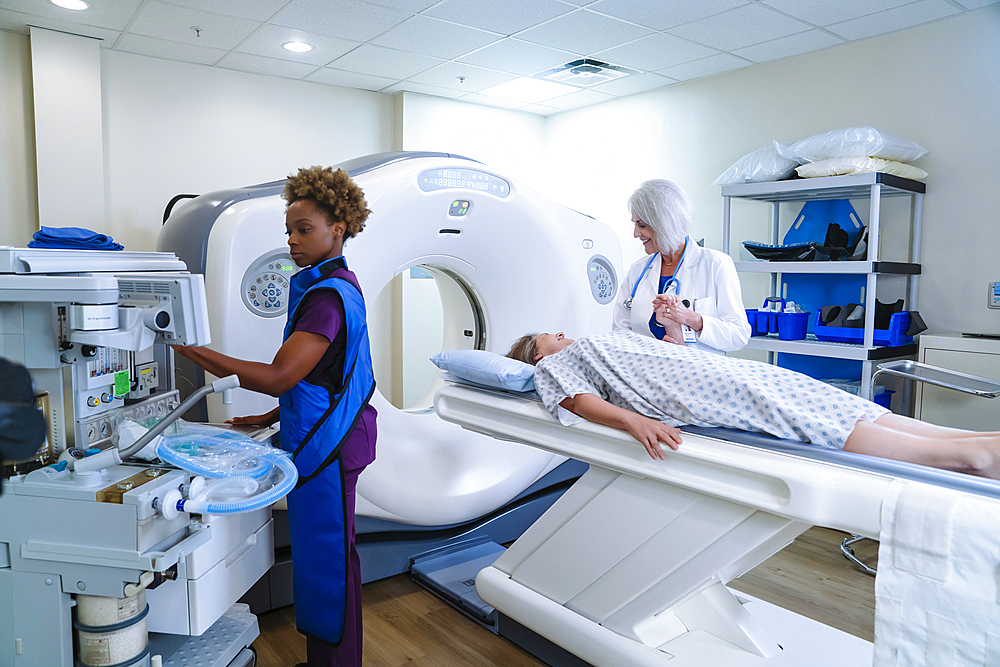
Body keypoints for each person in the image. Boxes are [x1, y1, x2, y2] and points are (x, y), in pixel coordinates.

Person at [174, 165, 376, 667]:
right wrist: (277, 413)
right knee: (329, 560)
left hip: (330, 448)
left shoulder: (327, 298)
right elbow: (329, 375)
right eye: (288, 230)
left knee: (327, 564)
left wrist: (192, 348)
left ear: (339, 227)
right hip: (335, 433)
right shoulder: (333, 286)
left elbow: (282, 374)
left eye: (303, 229)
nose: (291, 240)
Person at [506, 329, 1000, 479]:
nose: (561, 332)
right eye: (548, 334)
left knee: (821, 398)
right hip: (700, 392)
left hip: (716, 370)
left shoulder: (588, 343)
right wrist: (633, 420)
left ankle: (975, 442)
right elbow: (579, 402)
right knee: (799, 416)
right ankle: (966, 458)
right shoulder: (554, 365)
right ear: (536, 354)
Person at [612, 179, 750, 354]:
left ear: (664, 223)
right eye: (635, 224)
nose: (636, 234)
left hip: (700, 373)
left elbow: (739, 335)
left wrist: (692, 318)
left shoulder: (716, 265)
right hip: (646, 371)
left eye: (642, 225)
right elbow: (620, 332)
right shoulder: (637, 271)